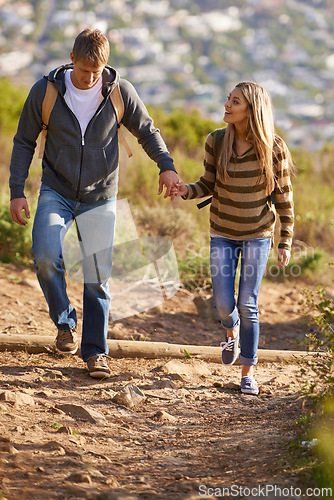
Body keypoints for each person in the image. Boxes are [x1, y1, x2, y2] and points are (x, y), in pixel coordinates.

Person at [9, 28, 178, 379]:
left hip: (101, 195)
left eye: (97, 71)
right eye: (85, 70)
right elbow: (24, 140)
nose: (89, 78)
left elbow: (147, 131)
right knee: (44, 255)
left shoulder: (119, 92)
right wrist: (16, 191)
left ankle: (95, 353)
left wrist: (167, 167)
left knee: (97, 276)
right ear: (72, 59)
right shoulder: (46, 91)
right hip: (56, 190)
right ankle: (65, 322)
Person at [173, 81, 294, 395]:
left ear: (251, 110)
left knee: (248, 304)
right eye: (228, 99)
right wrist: (186, 190)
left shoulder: (274, 147)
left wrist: (285, 240)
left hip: (257, 235)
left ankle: (247, 372)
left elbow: (284, 198)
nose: (227, 105)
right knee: (225, 305)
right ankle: (231, 332)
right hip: (222, 233)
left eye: (235, 101)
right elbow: (207, 184)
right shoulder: (216, 141)